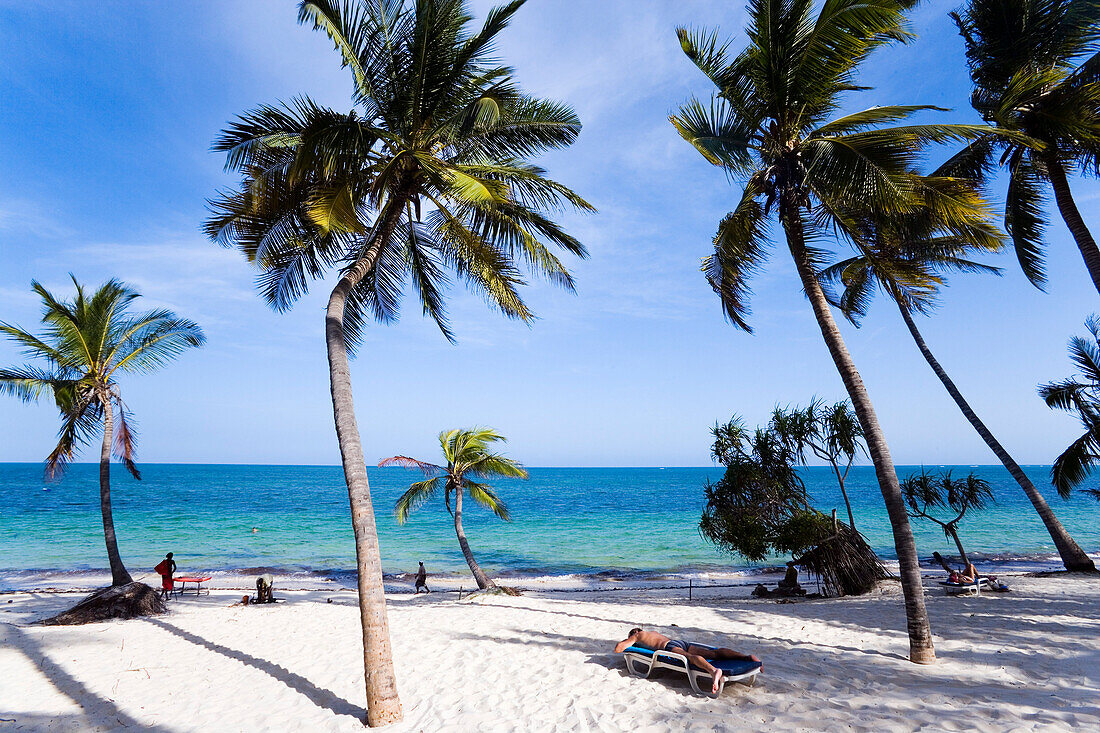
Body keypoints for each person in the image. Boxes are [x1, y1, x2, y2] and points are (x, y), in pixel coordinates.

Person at [614, 627, 760, 694]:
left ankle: (714, 671)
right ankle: (746, 657)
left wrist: (629, 641)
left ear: (635, 632)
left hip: (669, 646)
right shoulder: (653, 632)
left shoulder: (638, 636)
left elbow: (619, 648)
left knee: (688, 658)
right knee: (714, 653)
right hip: (679, 641)